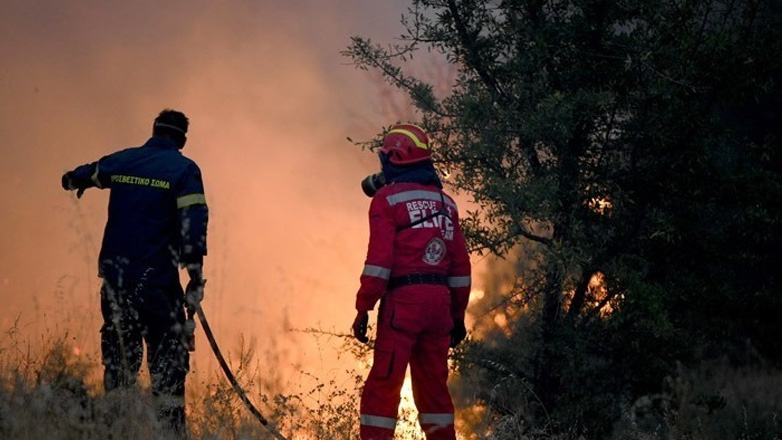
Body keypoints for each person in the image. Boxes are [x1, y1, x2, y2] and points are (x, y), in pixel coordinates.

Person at [61, 109, 208, 437]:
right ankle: (169, 434)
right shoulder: (184, 169)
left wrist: (74, 179)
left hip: (116, 285)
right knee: (168, 376)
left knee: (119, 371)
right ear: (182, 139)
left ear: (154, 131)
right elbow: (193, 225)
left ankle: (115, 431)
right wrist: (195, 277)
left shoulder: (126, 160)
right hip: (158, 288)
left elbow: (88, 173)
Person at [352, 123, 472, 440]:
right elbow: (460, 270)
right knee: (434, 390)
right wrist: (457, 317)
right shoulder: (447, 204)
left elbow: (379, 265)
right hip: (440, 307)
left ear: (393, 158)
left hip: (403, 306)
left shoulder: (386, 200)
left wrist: (363, 307)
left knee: (384, 385)